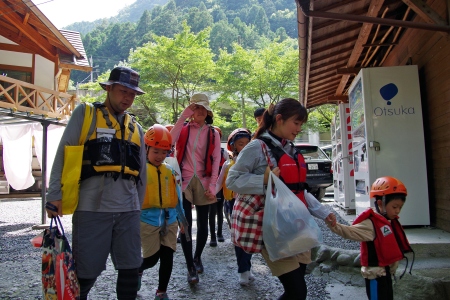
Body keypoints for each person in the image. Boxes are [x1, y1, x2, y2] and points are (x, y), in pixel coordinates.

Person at [45, 66, 147, 300]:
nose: (128, 98)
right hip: (92, 207)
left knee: (131, 268)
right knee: (86, 273)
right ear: (109, 89)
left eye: (132, 94)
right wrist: (54, 195)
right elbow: (63, 153)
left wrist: (138, 207)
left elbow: (141, 173)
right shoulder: (86, 114)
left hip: (129, 209)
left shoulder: (136, 128)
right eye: (123, 91)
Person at [226, 98, 336, 300]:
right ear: (279, 119)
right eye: (296, 123)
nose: (299, 128)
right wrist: (264, 179)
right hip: (274, 228)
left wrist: (324, 212)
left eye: (301, 124)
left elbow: (297, 190)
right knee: (298, 291)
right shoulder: (256, 147)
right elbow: (232, 180)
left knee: (296, 290)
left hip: (295, 225)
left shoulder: (290, 148)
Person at [325, 176, 413, 300]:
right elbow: (349, 232)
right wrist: (333, 225)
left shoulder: (388, 220)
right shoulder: (371, 224)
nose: (397, 211)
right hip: (375, 276)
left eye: (400, 207)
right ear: (380, 203)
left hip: (386, 273)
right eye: (394, 207)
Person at [170, 93, 221, 284]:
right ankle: (190, 266)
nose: (199, 111)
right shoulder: (183, 128)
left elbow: (216, 160)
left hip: (204, 180)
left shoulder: (213, 133)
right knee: (185, 225)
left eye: (202, 108)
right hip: (182, 180)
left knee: (203, 222)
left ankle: (198, 256)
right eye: (195, 107)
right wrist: (182, 117)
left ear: (207, 112)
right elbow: (169, 141)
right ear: (191, 110)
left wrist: (214, 186)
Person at [138, 124, 188, 300]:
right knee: (151, 259)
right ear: (147, 149)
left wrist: (182, 220)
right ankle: (137, 270)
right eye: (156, 151)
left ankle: (161, 291)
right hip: (147, 221)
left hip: (170, 220)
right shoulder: (140, 172)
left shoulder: (170, 172)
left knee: (168, 256)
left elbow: (177, 198)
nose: (160, 156)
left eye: (164, 152)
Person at [217, 128, 255, 285]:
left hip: (250, 204)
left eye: (247, 143)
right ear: (233, 146)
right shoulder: (228, 164)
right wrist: (211, 193)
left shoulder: (255, 163)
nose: (245, 147)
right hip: (232, 204)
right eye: (241, 144)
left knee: (251, 236)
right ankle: (243, 270)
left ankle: (247, 267)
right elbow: (219, 183)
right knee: (238, 238)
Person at [208, 125, 228, 247]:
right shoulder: (206, 152)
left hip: (220, 185)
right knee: (211, 211)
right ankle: (213, 236)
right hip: (210, 184)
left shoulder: (223, 152)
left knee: (219, 210)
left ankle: (220, 233)